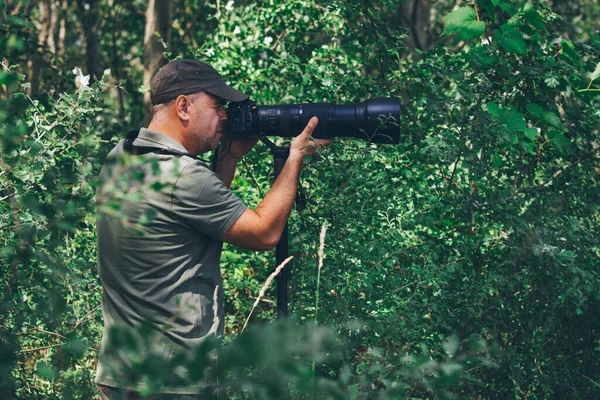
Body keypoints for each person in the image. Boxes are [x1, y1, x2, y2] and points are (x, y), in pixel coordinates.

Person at [95, 59, 331, 399]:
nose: (225, 116)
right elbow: (264, 233)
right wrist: (295, 157)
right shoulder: (183, 176)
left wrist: (229, 159)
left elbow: (185, 216)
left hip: (121, 374)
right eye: (217, 106)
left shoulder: (123, 155)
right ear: (184, 106)